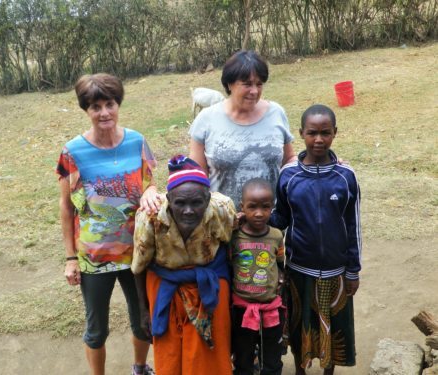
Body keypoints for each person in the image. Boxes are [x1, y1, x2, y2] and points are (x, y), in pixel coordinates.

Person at [56, 73, 159, 375]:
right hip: (94, 257)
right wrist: (70, 258)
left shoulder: (138, 142)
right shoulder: (72, 152)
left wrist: (151, 190)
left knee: (144, 319)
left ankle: (140, 368)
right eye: (95, 106)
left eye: (109, 104)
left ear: (118, 104)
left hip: (137, 252)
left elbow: (151, 184)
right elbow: (65, 207)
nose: (104, 113)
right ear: (85, 110)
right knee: (96, 328)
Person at [270, 104, 362, 375]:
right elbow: (281, 219)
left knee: (334, 328)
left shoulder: (346, 177)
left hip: (336, 271)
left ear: (335, 133)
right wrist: (255, 217)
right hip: (299, 269)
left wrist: (353, 270)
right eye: (312, 133)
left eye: (325, 133)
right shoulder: (289, 175)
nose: (318, 139)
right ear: (301, 133)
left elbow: (353, 225)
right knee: (300, 325)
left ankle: (328, 371)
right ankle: (300, 370)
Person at [131, 155, 236, 375]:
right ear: (169, 199)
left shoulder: (222, 209)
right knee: (169, 354)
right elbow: (139, 267)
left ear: (207, 199)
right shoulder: (149, 218)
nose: (188, 210)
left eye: (196, 202)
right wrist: (144, 311)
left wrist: (232, 301)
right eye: (180, 203)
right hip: (164, 287)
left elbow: (230, 250)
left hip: (210, 285)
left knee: (210, 355)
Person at [189, 50, 296, 210]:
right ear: (229, 84)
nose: (254, 91)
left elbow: (289, 160)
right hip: (223, 223)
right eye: (247, 84)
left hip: (269, 223)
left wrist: (322, 165)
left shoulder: (276, 113)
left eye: (259, 84)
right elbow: (197, 176)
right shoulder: (206, 119)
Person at [231, 178, 286, 375]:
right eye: (252, 207)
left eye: (265, 207)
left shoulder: (276, 235)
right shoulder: (233, 236)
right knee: (243, 359)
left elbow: (280, 264)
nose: (259, 213)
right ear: (242, 207)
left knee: (272, 359)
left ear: (272, 207)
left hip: (271, 309)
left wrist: (280, 281)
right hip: (242, 310)